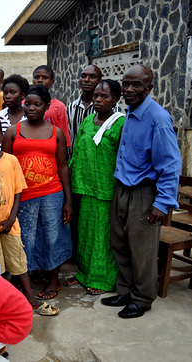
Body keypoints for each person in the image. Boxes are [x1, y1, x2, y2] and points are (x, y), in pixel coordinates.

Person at [101, 65, 181, 319]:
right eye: (126, 84)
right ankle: (125, 291)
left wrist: (162, 203)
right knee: (120, 244)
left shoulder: (158, 118)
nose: (129, 90)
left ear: (149, 87)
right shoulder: (129, 112)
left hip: (144, 194)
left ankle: (142, 298)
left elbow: (170, 164)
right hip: (122, 188)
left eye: (137, 85)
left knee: (142, 250)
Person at [0, 116, 58, 315]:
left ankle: (31, 300)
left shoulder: (11, 160)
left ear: (2, 136)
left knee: (18, 261)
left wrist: (11, 219)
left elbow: (18, 192)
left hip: (9, 224)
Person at [3, 85, 73, 301]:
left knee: (53, 236)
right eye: (28, 104)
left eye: (37, 104)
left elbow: (62, 166)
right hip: (22, 196)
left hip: (52, 193)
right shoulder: (13, 131)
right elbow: (4, 165)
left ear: (47, 106)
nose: (31, 108)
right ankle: (25, 277)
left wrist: (68, 201)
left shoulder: (56, 133)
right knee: (25, 239)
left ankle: (53, 279)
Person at [65, 80, 125, 295]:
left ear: (116, 99)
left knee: (102, 237)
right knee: (84, 235)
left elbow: (123, 158)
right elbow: (78, 153)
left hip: (106, 191)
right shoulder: (89, 120)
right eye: (96, 96)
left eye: (104, 97)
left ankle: (101, 279)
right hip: (84, 187)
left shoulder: (120, 124)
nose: (98, 100)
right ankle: (83, 274)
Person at [32, 65, 71, 147]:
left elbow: (63, 136)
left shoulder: (59, 106)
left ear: (52, 82)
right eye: (37, 77)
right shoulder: (24, 104)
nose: (40, 80)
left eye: (45, 78)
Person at [67, 65, 102, 153]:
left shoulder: (110, 108)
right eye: (83, 76)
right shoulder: (71, 107)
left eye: (92, 77)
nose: (86, 80)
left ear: (99, 81)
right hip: (75, 161)